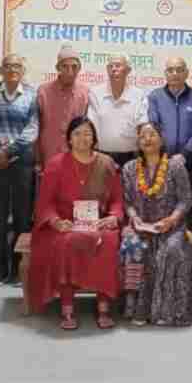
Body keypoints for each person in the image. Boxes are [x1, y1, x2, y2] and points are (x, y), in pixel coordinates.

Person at [28, 116, 123, 330]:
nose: (82, 138)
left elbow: (117, 199)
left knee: (108, 241)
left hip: (98, 223)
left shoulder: (106, 163)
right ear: (69, 139)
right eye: (77, 134)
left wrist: (113, 217)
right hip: (66, 224)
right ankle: (67, 306)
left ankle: (103, 304)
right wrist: (55, 222)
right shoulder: (55, 164)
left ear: (94, 138)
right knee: (67, 242)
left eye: (87, 133)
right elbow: (45, 203)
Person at [120, 122, 192, 326]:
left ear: (161, 139)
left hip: (171, 226)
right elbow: (127, 201)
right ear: (138, 142)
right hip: (142, 227)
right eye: (143, 136)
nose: (147, 139)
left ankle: (167, 311)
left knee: (172, 250)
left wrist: (172, 220)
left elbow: (186, 200)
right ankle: (138, 308)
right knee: (134, 246)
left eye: (152, 134)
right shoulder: (130, 168)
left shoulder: (175, 166)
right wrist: (134, 218)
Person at [0, 53, 39, 287]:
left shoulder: (32, 94)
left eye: (17, 66)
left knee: (22, 218)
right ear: (0, 70)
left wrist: (10, 151)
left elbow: (33, 128)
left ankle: (18, 270)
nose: (12, 69)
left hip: (22, 162)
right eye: (8, 66)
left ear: (23, 70)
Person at [147, 57, 192, 237]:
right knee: (163, 213)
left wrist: (184, 154)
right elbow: (154, 125)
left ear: (186, 73)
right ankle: (162, 261)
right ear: (165, 73)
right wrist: (165, 156)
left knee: (191, 214)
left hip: (191, 167)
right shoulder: (155, 96)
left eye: (179, 69)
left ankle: (190, 261)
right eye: (171, 70)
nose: (175, 73)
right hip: (163, 167)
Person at [88, 54, 147, 167]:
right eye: (111, 66)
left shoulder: (139, 95)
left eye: (118, 65)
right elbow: (91, 127)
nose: (114, 69)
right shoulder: (95, 93)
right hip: (101, 157)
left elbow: (142, 126)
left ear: (128, 70)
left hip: (132, 158)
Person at [36, 45, 89, 167]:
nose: (70, 71)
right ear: (57, 67)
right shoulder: (43, 92)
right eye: (65, 66)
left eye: (74, 67)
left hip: (76, 158)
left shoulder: (85, 93)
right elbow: (36, 127)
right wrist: (37, 159)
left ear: (79, 69)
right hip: (48, 157)